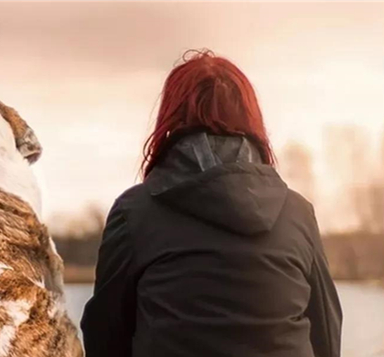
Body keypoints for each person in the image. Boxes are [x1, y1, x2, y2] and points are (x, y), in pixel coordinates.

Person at [80, 50, 342, 357]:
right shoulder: (297, 213)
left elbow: (105, 337)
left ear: (171, 118)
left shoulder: (134, 213)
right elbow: (326, 331)